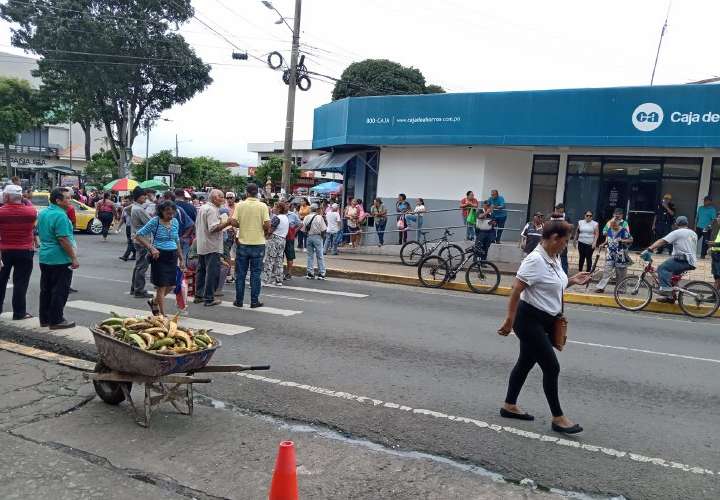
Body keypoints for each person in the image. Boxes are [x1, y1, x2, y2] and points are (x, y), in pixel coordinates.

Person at [498, 221, 591, 434]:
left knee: (525, 363)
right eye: (565, 241)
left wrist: (572, 280)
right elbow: (515, 291)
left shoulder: (553, 257)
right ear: (554, 238)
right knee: (552, 367)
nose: (566, 246)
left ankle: (509, 405)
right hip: (529, 320)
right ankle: (558, 417)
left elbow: (551, 284)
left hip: (546, 321)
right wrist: (509, 320)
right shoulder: (535, 260)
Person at [37, 188, 79, 329]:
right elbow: (63, 239)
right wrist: (73, 258)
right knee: (60, 290)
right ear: (58, 200)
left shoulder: (44, 213)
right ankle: (56, 320)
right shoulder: (60, 216)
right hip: (59, 258)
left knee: (46, 289)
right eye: (66, 198)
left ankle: (45, 319)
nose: (70, 200)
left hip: (45, 256)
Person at [135, 200, 185, 316]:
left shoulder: (175, 222)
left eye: (172, 213)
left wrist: (182, 259)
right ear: (161, 211)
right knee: (161, 286)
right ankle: (162, 314)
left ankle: (154, 302)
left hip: (172, 256)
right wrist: (151, 248)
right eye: (168, 213)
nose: (170, 216)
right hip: (159, 256)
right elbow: (138, 235)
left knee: (171, 285)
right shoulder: (155, 222)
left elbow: (176, 240)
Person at [0, 184, 37, 320]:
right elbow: (29, 206)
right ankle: (19, 313)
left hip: (4, 251)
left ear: (7, 196)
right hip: (25, 251)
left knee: (1, 282)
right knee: (21, 283)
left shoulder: (1, 212)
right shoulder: (31, 212)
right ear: (21, 197)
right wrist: (24, 199)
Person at [195, 189, 237, 306]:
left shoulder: (203, 208)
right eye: (221, 197)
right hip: (211, 245)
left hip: (203, 243)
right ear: (214, 198)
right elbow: (213, 228)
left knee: (202, 270)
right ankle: (209, 298)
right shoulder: (212, 210)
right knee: (211, 272)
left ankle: (199, 295)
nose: (224, 200)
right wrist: (228, 223)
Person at [232, 183, 271, 308]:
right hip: (258, 243)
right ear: (257, 192)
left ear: (247, 192)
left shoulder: (240, 205)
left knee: (241, 274)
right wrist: (264, 231)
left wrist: (241, 225)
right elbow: (267, 224)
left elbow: (233, 221)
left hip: (243, 243)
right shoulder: (263, 206)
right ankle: (254, 301)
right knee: (255, 274)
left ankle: (239, 301)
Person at [645, 215, 698, 303]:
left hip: (683, 260)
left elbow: (662, 241)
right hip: (690, 261)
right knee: (671, 277)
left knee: (662, 268)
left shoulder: (678, 232)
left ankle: (666, 290)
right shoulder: (693, 233)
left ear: (676, 224)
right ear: (687, 223)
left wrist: (649, 248)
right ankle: (670, 298)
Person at [594, 218, 633, 293]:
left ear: (618, 224)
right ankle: (601, 287)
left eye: (615, 225)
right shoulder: (609, 230)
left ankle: (621, 289)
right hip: (610, 254)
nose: (613, 226)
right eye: (612, 225)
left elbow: (631, 239)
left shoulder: (623, 230)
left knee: (620, 273)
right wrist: (603, 244)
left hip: (620, 255)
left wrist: (622, 240)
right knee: (607, 271)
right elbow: (608, 240)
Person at [129, 187, 153, 299]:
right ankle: (139, 290)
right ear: (139, 197)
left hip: (138, 239)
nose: (146, 197)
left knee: (138, 265)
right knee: (142, 266)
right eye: (144, 195)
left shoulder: (135, 207)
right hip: (142, 240)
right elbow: (150, 223)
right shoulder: (138, 209)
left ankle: (134, 288)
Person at [261, 201, 290, 286]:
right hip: (282, 239)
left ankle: (265, 280)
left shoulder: (277, 218)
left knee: (269, 260)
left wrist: (266, 235)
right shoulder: (286, 218)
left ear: (279, 209)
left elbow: (270, 230)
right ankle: (279, 279)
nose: (273, 209)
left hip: (274, 239)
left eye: (274, 207)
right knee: (279, 260)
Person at [304, 203, 328, 280]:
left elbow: (304, 229)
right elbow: (323, 229)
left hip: (309, 237)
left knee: (310, 255)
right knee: (320, 255)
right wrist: (323, 237)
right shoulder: (319, 217)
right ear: (317, 209)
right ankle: (321, 273)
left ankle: (310, 272)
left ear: (310, 209)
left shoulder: (306, 217)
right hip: (318, 236)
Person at [552, 204, 570, 274]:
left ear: (562, 209)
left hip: (563, 241)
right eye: (556, 209)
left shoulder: (567, 218)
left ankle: (564, 273)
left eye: (558, 209)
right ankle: (554, 272)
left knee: (563, 257)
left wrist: (566, 242)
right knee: (554, 256)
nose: (556, 211)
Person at [284, 204, 301, 280]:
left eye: (287, 205)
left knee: (290, 256)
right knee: (279, 256)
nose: (285, 207)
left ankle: (289, 273)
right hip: (280, 238)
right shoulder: (278, 214)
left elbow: (300, 224)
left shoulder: (293, 215)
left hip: (289, 239)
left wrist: (294, 232)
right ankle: (278, 272)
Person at [118, 197, 136, 261]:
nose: (125, 202)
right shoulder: (124, 209)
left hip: (134, 228)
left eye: (127, 201)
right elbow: (122, 219)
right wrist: (118, 227)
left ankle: (126, 256)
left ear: (131, 202)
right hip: (128, 227)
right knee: (130, 241)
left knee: (130, 242)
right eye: (124, 201)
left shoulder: (134, 209)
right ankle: (134, 255)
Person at [709, 213, 720, 290]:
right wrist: (711, 247)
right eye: (718, 217)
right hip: (715, 254)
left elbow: (717, 243)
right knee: (716, 275)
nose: (718, 219)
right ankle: (715, 295)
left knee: (718, 275)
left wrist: (715, 244)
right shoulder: (718, 228)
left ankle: (715, 295)